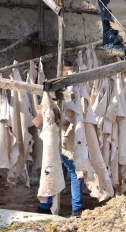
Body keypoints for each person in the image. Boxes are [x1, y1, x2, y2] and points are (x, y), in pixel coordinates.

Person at [37, 61, 84, 217]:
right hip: (56, 139)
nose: (69, 75)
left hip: (70, 141)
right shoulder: (54, 90)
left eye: (71, 72)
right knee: (55, 169)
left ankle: (76, 208)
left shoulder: (77, 90)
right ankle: (47, 205)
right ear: (61, 72)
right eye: (66, 72)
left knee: (73, 171)